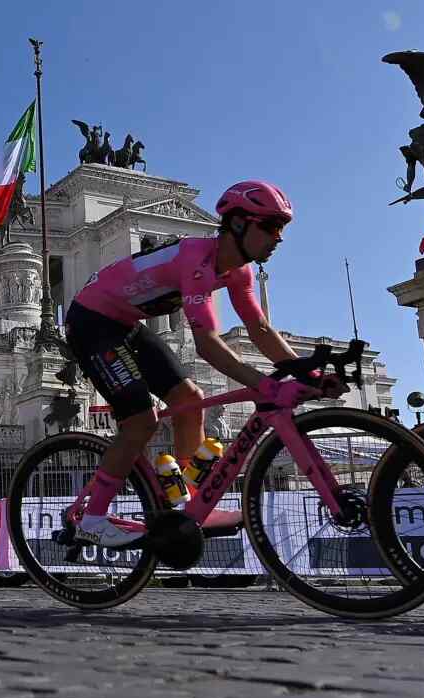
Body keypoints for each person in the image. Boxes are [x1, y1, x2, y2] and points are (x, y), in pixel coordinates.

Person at [64, 180, 342, 547]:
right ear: (240, 224)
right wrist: (262, 384)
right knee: (140, 420)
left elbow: (259, 328)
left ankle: (184, 504)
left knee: (189, 400)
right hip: (91, 322)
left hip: (125, 325)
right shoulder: (196, 261)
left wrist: (308, 373)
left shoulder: (237, 271)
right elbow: (207, 346)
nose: (279, 239)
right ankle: (93, 518)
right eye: (271, 227)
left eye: (281, 229)